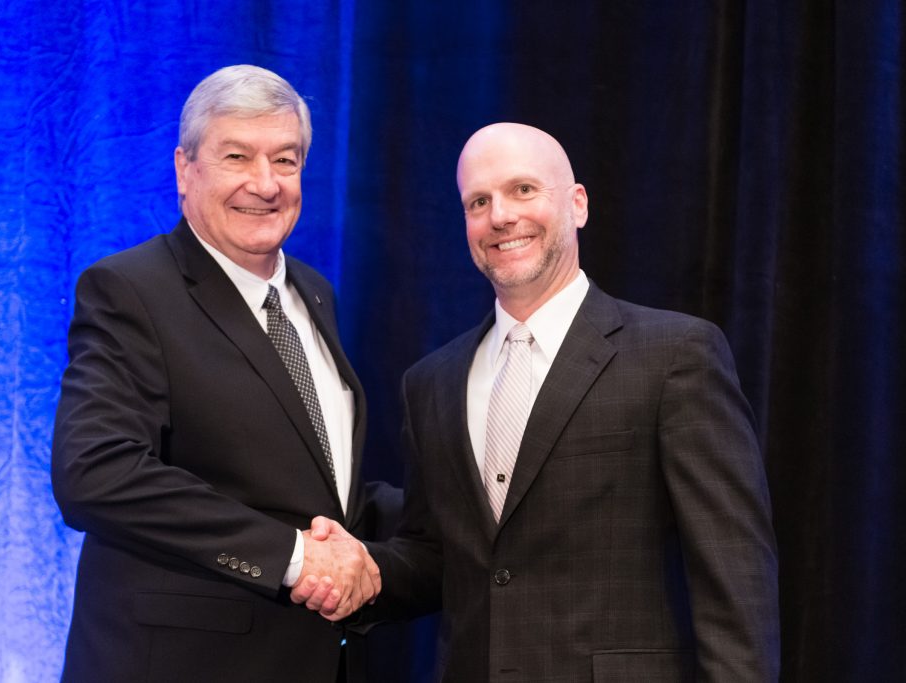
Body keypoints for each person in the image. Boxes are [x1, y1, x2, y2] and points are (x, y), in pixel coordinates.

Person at [297, 122, 780, 680]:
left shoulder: (675, 355)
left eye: (523, 190)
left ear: (577, 204)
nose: (500, 216)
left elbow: (734, 572)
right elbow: (438, 557)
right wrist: (364, 569)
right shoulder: (431, 383)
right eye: (479, 201)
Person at [51, 64, 386, 682]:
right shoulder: (131, 289)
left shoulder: (314, 294)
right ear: (185, 169)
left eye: (285, 161)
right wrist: (294, 558)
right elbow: (95, 472)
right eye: (237, 156)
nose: (265, 184)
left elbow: (311, 485)